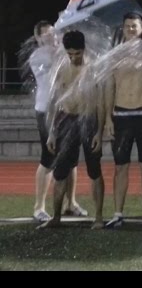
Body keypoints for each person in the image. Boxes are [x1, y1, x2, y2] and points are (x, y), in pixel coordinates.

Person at [39, 30, 104, 229]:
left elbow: (101, 102)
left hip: (88, 120)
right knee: (60, 172)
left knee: (94, 171)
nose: (74, 57)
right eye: (70, 54)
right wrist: (52, 131)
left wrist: (99, 132)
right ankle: (56, 217)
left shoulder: (95, 67)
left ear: (84, 49)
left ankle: (99, 218)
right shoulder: (60, 68)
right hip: (66, 121)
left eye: (77, 53)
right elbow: (54, 100)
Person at [104, 12, 142, 228]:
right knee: (121, 167)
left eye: (135, 26)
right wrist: (108, 120)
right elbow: (109, 89)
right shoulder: (114, 57)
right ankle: (118, 213)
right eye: (127, 26)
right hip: (120, 116)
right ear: (123, 29)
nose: (131, 29)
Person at [28, 21, 87, 222]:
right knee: (48, 158)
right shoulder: (38, 57)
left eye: (53, 34)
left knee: (71, 160)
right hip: (47, 111)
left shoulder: (63, 54)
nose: (52, 38)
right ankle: (39, 206)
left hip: (67, 111)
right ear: (37, 39)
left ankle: (71, 203)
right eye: (46, 35)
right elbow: (54, 73)